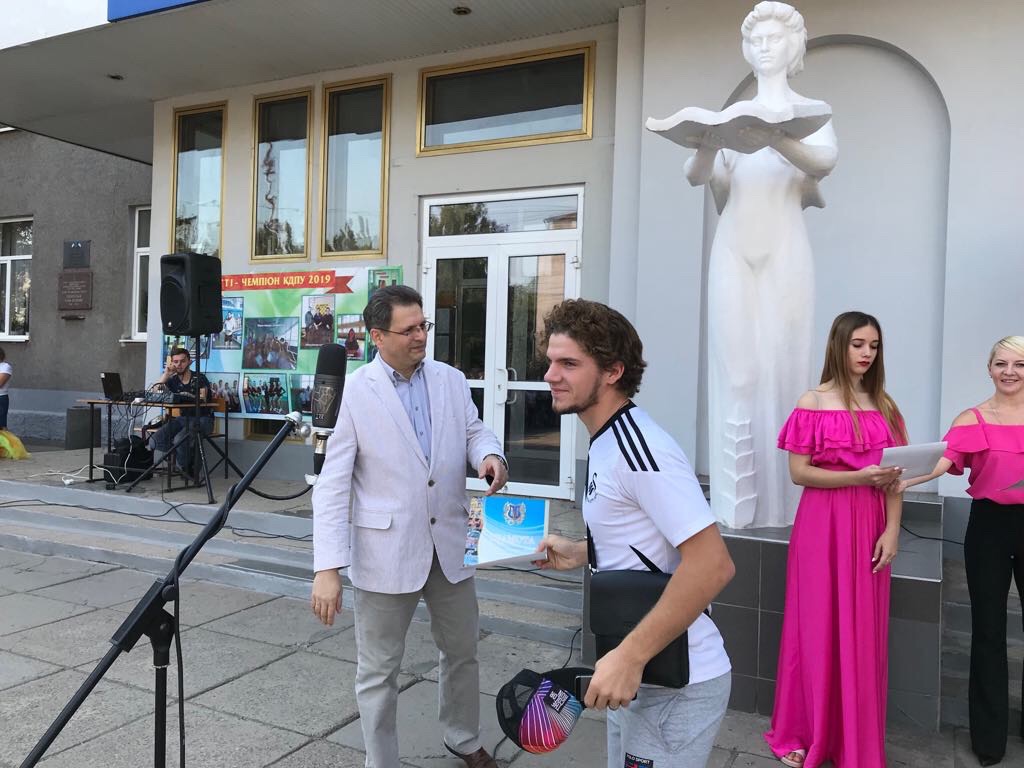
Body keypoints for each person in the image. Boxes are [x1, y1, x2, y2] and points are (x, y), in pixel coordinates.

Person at [310, 285, 509, 768]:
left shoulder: (450, 380)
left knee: (462, 652)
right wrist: (327, 568)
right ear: (377, 336)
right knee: (379, 670)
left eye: (424, 325)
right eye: (409, 329)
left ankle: (463, 737)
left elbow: (472, 429)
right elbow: (332, 486)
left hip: (451, 543)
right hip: (386, 552)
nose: (421, 336)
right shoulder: (354, 393)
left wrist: (489, 454)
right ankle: (381, 761)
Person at [534, 299, 735, 768]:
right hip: (638, 671)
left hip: (677, 681)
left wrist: (629, 657)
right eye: (550, 361)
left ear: (612, 371)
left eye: (568, 364)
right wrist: (583, 551)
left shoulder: (639, 448)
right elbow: (650, 539)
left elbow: (713, 565)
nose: (550, 375)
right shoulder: (606, 439)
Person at [682, 1, 838, 528]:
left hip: (786, 249)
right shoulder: (733, 119)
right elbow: (704, 180)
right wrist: (708, 143)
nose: (765, 47)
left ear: (795, 47)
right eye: (756, 40)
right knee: (737, 371)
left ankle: (786, 500)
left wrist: (776, 137)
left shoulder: (810, 112)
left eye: (775, 38)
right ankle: (736, 499)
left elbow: (824, 161)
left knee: (786, 366)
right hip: (733, 247)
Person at [764, 311, 906, 768]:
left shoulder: (885, 405)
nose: (867, 353)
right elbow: (799, 472)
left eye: (874, 346)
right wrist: (859, 476)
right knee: (814, 627)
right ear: (838, 346)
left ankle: (851, 740)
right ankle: (801, 732)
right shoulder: (813, 401)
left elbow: (896, 477)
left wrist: (892, 530)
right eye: (858, 344)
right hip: (822, 526)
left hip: (871, 526)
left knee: (862, 633)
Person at [901, 335, 1024, 766]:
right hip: (989, 528)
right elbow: (940, 462)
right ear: (989, 369)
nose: (1010, 372)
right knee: (988, 631)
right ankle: (989, 742)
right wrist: (900, 479)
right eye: (1001, 363)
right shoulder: (972, 418)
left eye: (1020, 364)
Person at [152, 346, 212, 483]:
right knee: (155, 440)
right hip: (182, 419)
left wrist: (189, 396)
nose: (179, 365)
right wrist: (166, 374)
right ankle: (187, 459)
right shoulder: (173, 380)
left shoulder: (199, 378)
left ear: (189, 362)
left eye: (182, 361)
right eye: (176, 362)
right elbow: (155, 391)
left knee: (179, 440)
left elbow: (203, 398)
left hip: (202, 419)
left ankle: (186, 467)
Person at [0, 346, 28, 460]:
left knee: (1, 426)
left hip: (0, 398)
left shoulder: (5, 367)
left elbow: (0, 383)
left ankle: (8, 450)